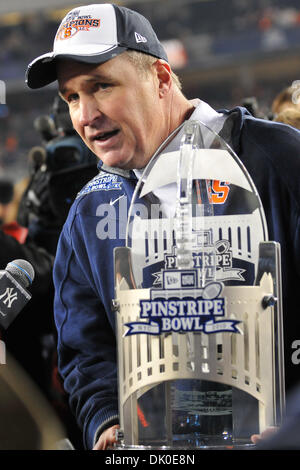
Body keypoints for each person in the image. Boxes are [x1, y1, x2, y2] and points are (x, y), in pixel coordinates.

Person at [25, 3, 300, 450]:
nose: (85, 115)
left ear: (162, 79)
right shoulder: (90, 210)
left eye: (101, 86)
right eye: (72, 97)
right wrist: (108, 423)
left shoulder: (280, 159)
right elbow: (86, 351)